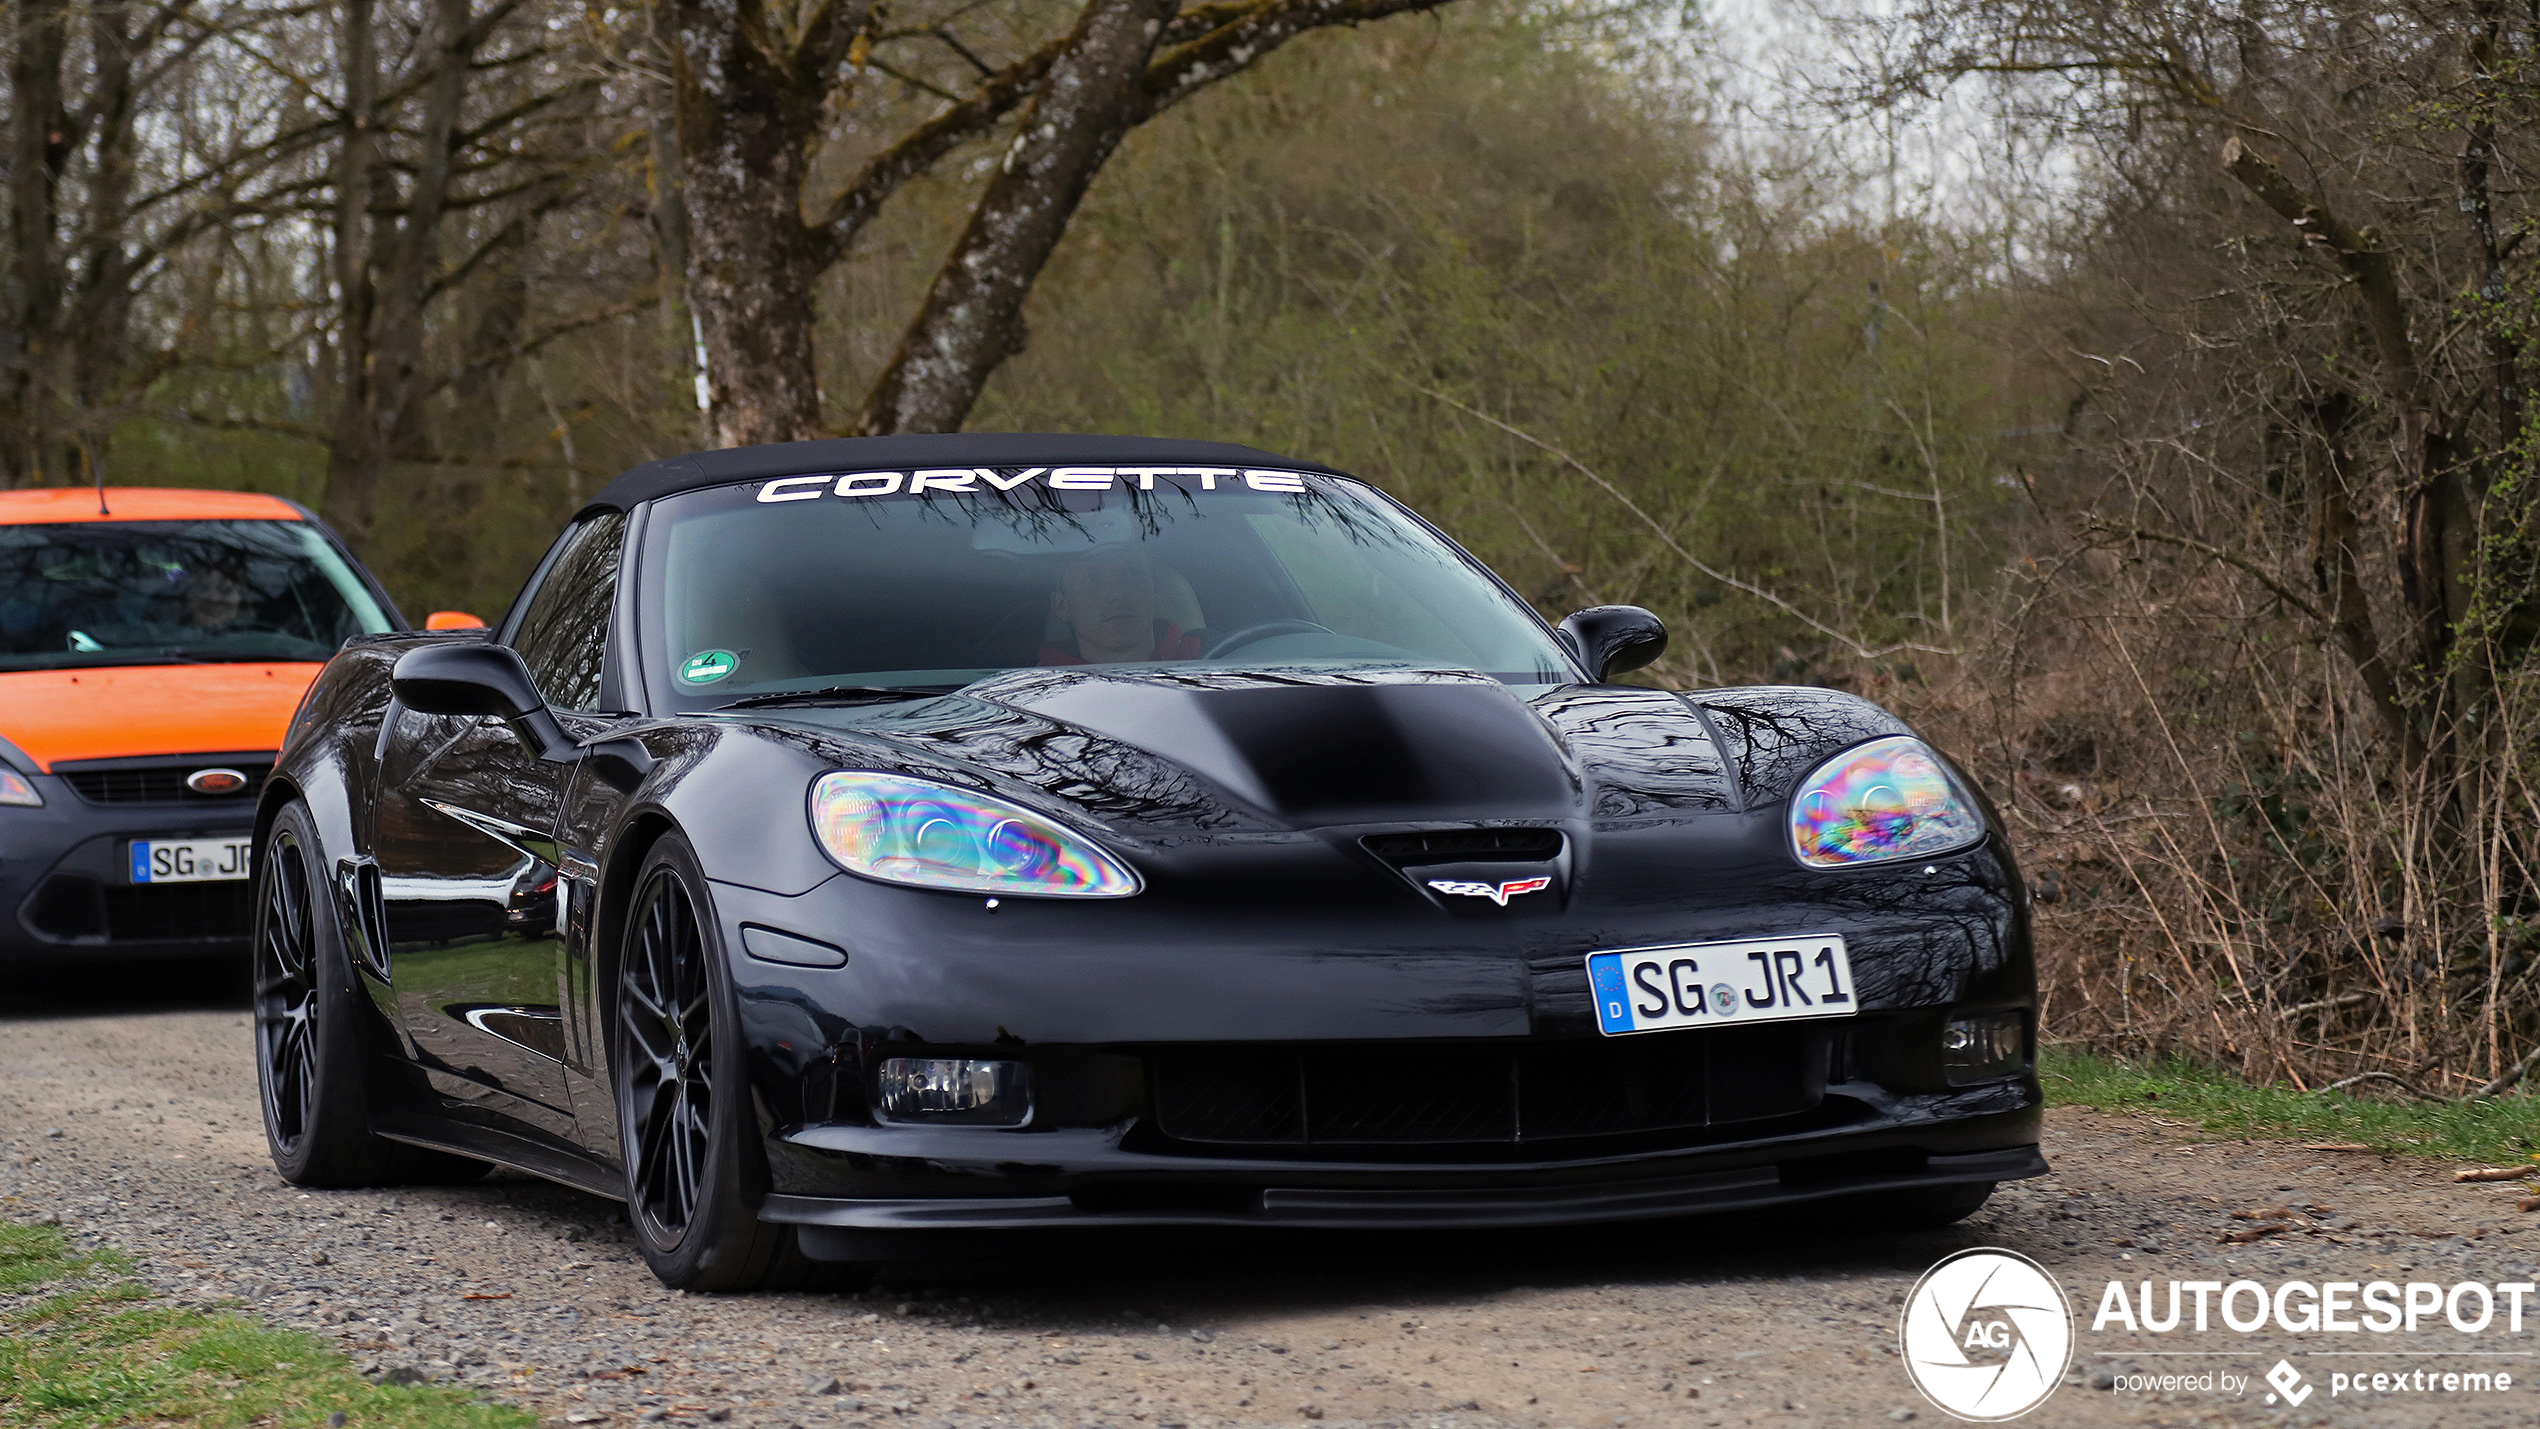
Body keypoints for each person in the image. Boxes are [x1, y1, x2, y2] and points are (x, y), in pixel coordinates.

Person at [1037, 547, 1203, 666]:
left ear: (1156, 590)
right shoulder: (1030, 693)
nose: (1117, 594)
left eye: (1130, 574)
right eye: (1092, 580)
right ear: (1061, 606)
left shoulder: (1215, 659)